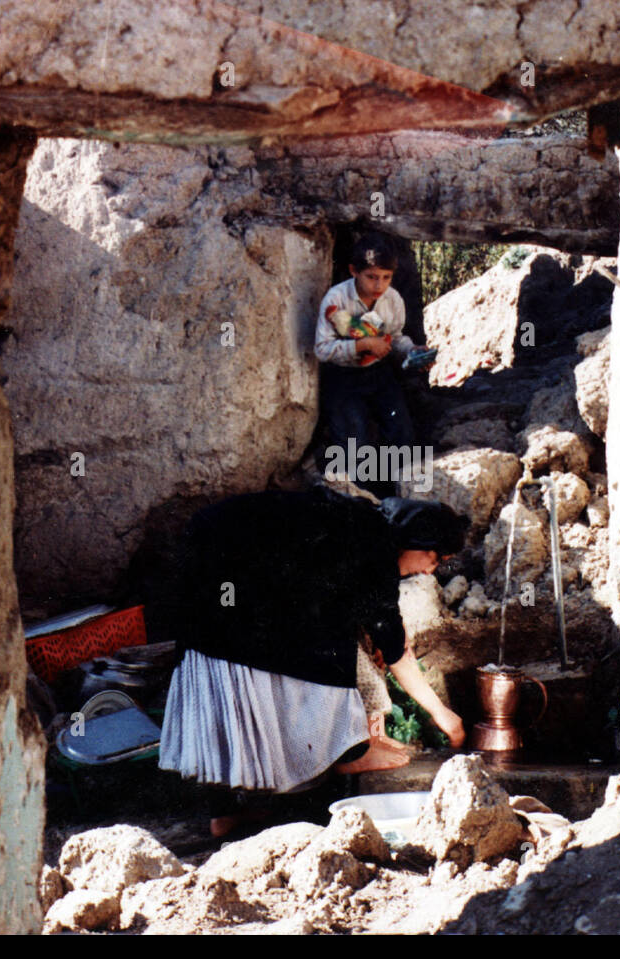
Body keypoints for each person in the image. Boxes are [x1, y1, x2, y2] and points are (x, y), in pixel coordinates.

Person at [157, 486, 467, 836]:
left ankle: (226, 815)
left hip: (208, 570)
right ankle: (350, 755)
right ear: (418, 542)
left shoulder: (362, 525)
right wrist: (444, 716)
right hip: (227, 573)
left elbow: (377, 618)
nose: (430, 571)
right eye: (435, 559)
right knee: (325, 646)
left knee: (242, 674)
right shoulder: (374, 544)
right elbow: (395, 651)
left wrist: (388, 633)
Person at [314, 233, 429, 499]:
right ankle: (360, 504)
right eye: (372, 277)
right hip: (342, 377)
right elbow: (322, 349)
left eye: (386, 277)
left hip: (378, 373)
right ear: (354, 271)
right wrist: (362, 345)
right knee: (354, 442)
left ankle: (401, 500)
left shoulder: (393, 299)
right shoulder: (336, 299)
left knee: (402, 432)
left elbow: (397, 337)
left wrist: (413, 352)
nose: (380, 285)